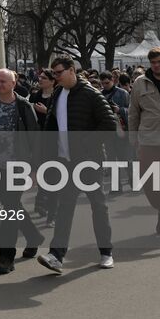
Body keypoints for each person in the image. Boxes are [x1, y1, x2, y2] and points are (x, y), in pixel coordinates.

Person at [38, 57, 117, 274]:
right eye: (53, 73)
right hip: (66, 161)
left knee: (98, 205)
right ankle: (56, 255)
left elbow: (110, 125)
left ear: (72, 70)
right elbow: (51, 126)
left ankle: (106, 252)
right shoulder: (57, 94)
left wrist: (84, 142)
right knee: (65, 206)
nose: (55, 77)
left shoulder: (91, 93)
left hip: (89, 160)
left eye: (58, 72)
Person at [0, 69, 43, 273]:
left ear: (14, 83)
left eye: (4, 81)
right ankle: (33, 237)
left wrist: (35, 167)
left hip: (18, 166)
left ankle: (6, 258)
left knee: (9, 210)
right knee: (12, 205)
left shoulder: (23, 106)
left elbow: (35, 138)